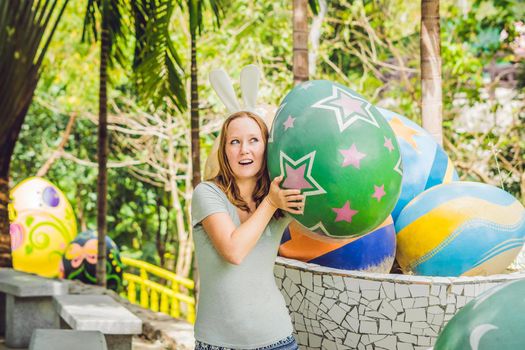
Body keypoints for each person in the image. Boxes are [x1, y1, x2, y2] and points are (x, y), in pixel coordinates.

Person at [191, 111, 305, 350]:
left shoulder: (279, 200)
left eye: (254, 140)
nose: (244, 149)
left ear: (267, 148)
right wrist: (271, 203)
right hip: (218, 344)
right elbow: (233, 251)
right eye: (235, 142)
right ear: (224, 151)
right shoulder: (207, 193)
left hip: (278, 340)